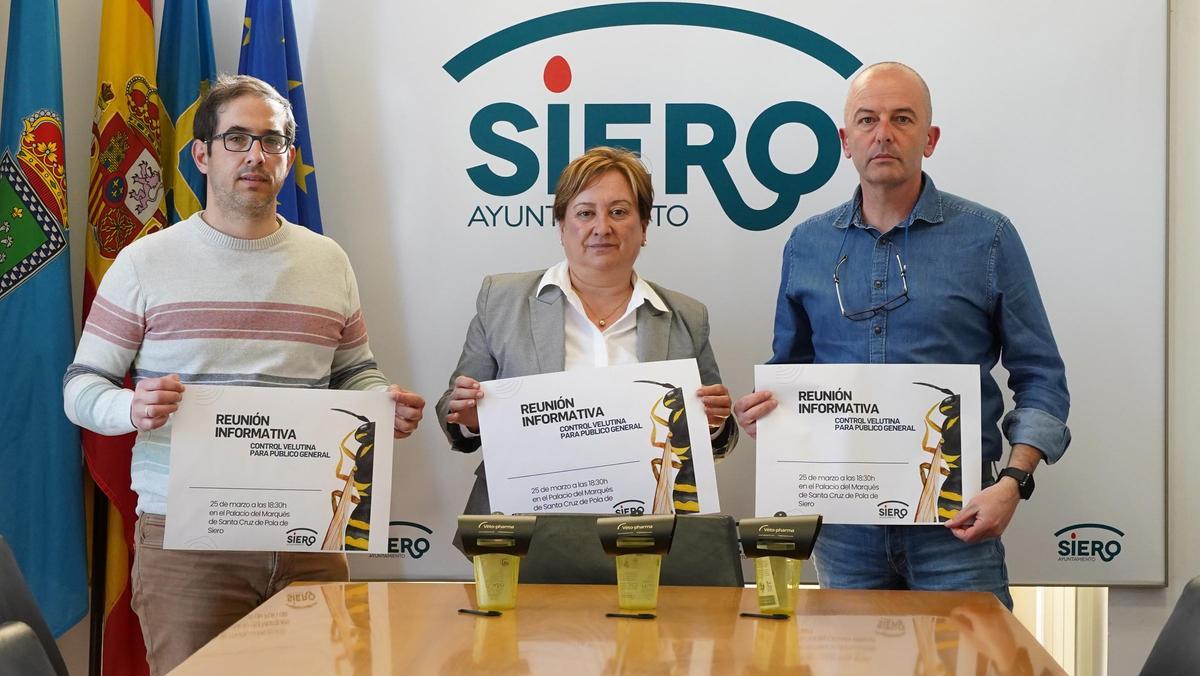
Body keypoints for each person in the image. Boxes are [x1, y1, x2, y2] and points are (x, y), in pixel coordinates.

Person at [62, 74, 425, 674]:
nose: (257, 155)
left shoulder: (327, 260)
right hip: (188, 545)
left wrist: (381, 402)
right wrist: (131, 408)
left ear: (288, 156)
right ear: (202, 154)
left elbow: (354, 371)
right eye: (237, 139)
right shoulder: (145, 262)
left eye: (273, 141)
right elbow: (81, 386)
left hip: (311, 532)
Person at [733, 62, 1070, 609]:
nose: (883, 133)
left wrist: (1013, 483)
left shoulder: (987, 238)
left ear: (929, 139)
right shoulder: (807, 245)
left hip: (956, 525)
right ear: (846, 141)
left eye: (902, 119)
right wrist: (767, 414)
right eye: (867, 120)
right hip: (844, 528)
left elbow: (1042, 378)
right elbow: (789, 368)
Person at [437, 146, 739, 520]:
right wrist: (465, 415)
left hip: (652, 528)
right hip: (524, 525)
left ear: (644, 227)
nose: (602, 227)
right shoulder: (501, 300)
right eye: (585, 213)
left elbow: (717, 438)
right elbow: (453, 404)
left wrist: (714, 423)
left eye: (618, 212)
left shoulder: (686, 316)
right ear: (562, 226)